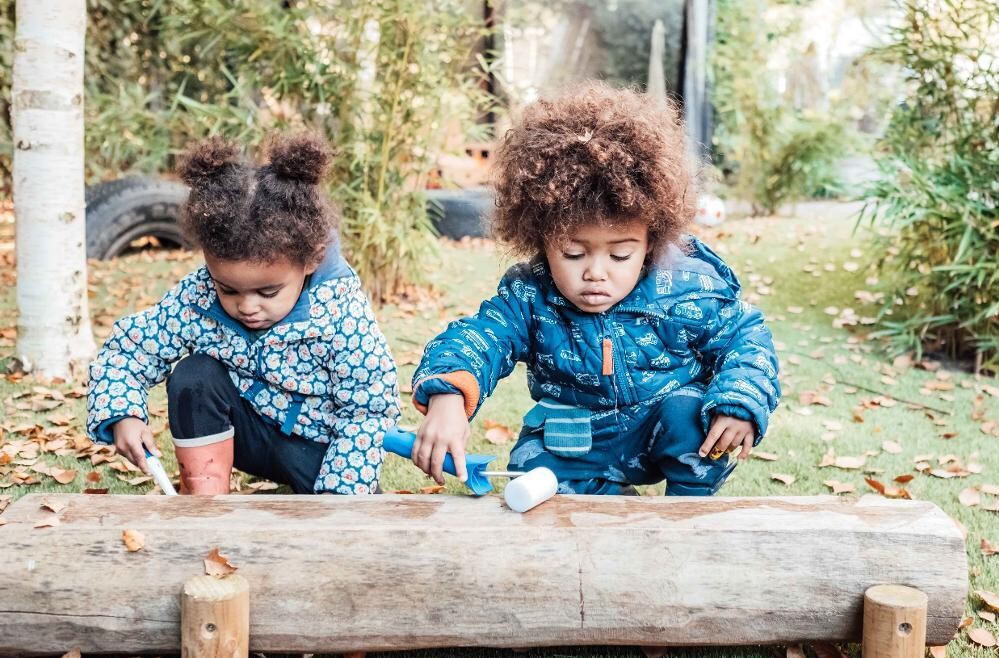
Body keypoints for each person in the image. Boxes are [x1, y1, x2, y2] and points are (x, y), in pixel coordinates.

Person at [409, 84, 780, 496]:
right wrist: (447, 396)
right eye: (572, 252)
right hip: (576, 436)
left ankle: (687, 516)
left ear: (652, 242)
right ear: (540, 239)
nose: (595, 274)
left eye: (620, 256)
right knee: (530, 472)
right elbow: (479, 336)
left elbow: (747, 337)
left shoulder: (686, 289)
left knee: (689, 417)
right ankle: (611, 507)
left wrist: (740, 402)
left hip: (660, 427)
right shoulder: (530, 296)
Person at [86, 133, 400, 495]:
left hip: (317, 446)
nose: (247, 307)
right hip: (245, 431)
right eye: (229, 289)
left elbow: (367, 409)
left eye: (268, 292)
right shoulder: (199, 297)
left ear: (311, 260)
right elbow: (129, 351)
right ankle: (206, 501)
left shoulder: (340, 314)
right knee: (194, 374)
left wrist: (337, 499)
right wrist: (123, 413)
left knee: (343, 518)